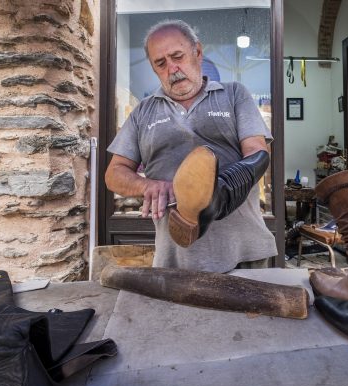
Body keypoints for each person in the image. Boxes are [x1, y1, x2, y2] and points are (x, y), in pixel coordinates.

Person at [105, 19, 277, 272]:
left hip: (245, 253)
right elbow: (113, 174)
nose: (172, 68)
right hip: (175, 258)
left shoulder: (234, 94)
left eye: (177, 56)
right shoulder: (143, 111)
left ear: (197, 52)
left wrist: (220, 190)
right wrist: (147, 185)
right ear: (153, 68)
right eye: (160, 63)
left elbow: (258, 152)